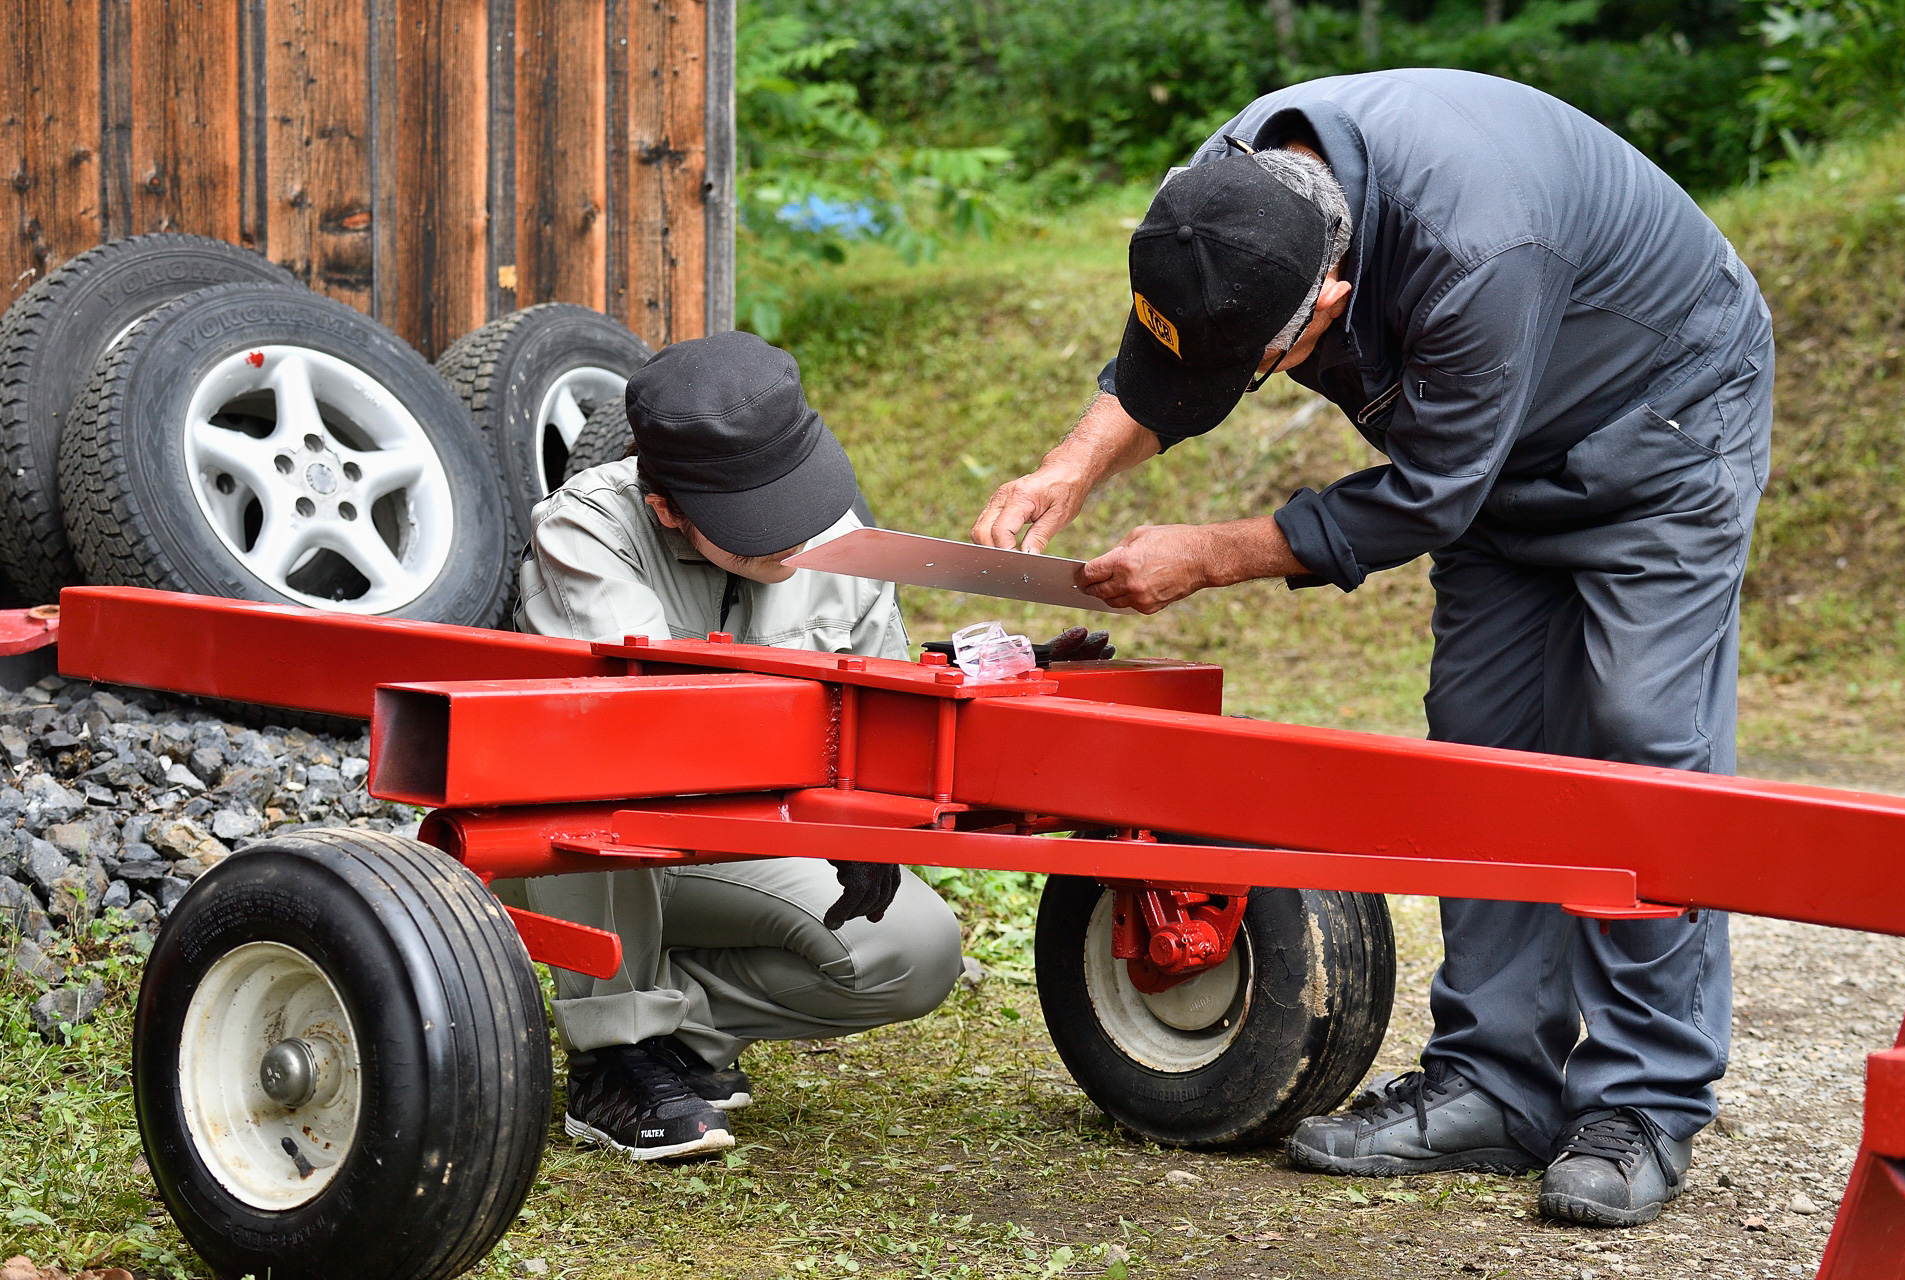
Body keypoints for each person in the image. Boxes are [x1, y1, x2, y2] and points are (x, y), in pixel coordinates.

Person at [973, 69, 1771, 1228]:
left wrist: (1210, 552)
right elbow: (1174, 344)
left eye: (1269, 361)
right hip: (1492, 451)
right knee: (1481, 742)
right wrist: (1069, 466)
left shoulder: (1479, 249)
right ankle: (1494, 1081)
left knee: (1640, 740)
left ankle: (1643, 1102)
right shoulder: (1221, 198)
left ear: (1334, 292)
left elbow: (1430, 497)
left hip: (1658, 430)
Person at [510, 329, 965, 1161]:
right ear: (668, 509)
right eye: (760, 527)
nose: (797, 539)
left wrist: (867, 823)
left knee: (915, 949)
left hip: (739, 839)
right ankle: (612, 1057)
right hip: (595, 843)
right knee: (593, 778)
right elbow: (641, 735)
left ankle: (676, 1036)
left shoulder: (838, 536)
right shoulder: (585, 531)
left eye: (797, 503)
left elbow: (883, 713)